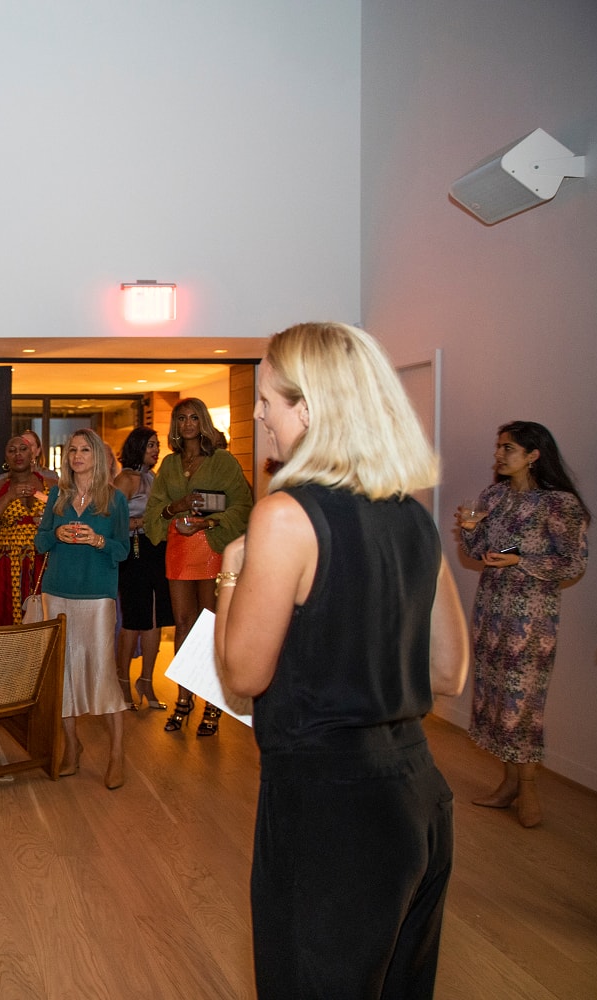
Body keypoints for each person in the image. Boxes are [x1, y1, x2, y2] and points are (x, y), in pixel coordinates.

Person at [213, 321, 469, 998]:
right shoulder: (413, 516)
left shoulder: (285, 516)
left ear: (310, 408)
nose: (258, 414)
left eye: (268, 399)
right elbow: (449, 671)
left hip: (329, 807)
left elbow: (242, 676)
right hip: (419, 794)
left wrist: (231, 570)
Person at [457, 421, 589, 829]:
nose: (499, 455)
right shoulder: (493, 496)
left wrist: (521, 560)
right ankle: (509, 783)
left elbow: (573, 561)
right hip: (491, 608)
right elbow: (480, 552)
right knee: (497, 697)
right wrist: (470, 530)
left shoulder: (559, 504)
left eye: (508, 448)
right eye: (498, 447)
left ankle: (528, 787)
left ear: (533, 455)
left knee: (523, 701)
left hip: (530, 615)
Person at [145, 398, 252, 736]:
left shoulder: (223, 461)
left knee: (210, 625)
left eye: (193, 417)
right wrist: (174, 507)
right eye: (181, 418)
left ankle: (212, 703)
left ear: (203, 421)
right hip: (178, 547)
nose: (187, 423)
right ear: (175, 425)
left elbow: (242, 505)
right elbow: (155, 510)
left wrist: (208, 522)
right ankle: (184, 696)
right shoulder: (169, 464)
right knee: (182, 624)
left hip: (211, 546)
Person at [32, 429, 131, 788]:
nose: (77, 456)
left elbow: (123, 549)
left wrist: (99, 540)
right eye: (72, 450)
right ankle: (72, 747)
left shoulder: (114, 499)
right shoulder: (57, 495)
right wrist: (55, 535)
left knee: (103, 673)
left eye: (85, 450)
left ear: (97, 457)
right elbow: (40, 542)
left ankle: (117, 754)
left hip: (97, 594)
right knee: (63, 674)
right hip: (56, 592)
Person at [112, 427, 174, 710]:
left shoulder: (153, 477)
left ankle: (146, 681)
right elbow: (108, 519)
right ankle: (122, 682)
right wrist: (139, 523)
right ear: (137, 447)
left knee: (154, 620)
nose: (156, 450)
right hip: (134, 550)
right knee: (133, 621)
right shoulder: (125, 479)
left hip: (156, 550)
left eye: (157, 445)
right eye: (150, 445)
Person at [0, 434, 51, 625]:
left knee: (43, 621)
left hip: (43, 561)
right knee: (6, 622)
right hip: (8, 565)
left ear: (33, 454)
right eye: (12, 450)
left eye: (23, 449)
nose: (18, 454)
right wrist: (8, 497)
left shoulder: (51, 485)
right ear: (5, 458)